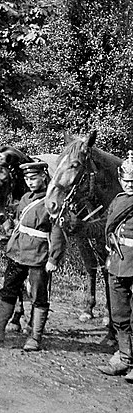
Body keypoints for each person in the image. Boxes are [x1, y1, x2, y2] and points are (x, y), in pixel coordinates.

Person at [0, 159, 66, 351]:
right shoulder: (26, 198)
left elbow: (58, 231)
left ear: (44, 177)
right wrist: (8, 228)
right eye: (27, 179)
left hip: (38, 254)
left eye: (34, 178)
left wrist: (54, 258)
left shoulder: (52, 201)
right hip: (17, 252)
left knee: (39, 296)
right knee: (9, 290)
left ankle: (35, 337)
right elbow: (20, 222)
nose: (30, 182)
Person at [98, 151, 133, 380]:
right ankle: (124, 356)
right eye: (127, 180)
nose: (130, 185)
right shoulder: (118, 201)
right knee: (119, 313)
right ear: (120, 180)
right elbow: (104, 228)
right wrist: (78, 226)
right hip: (119, 263)